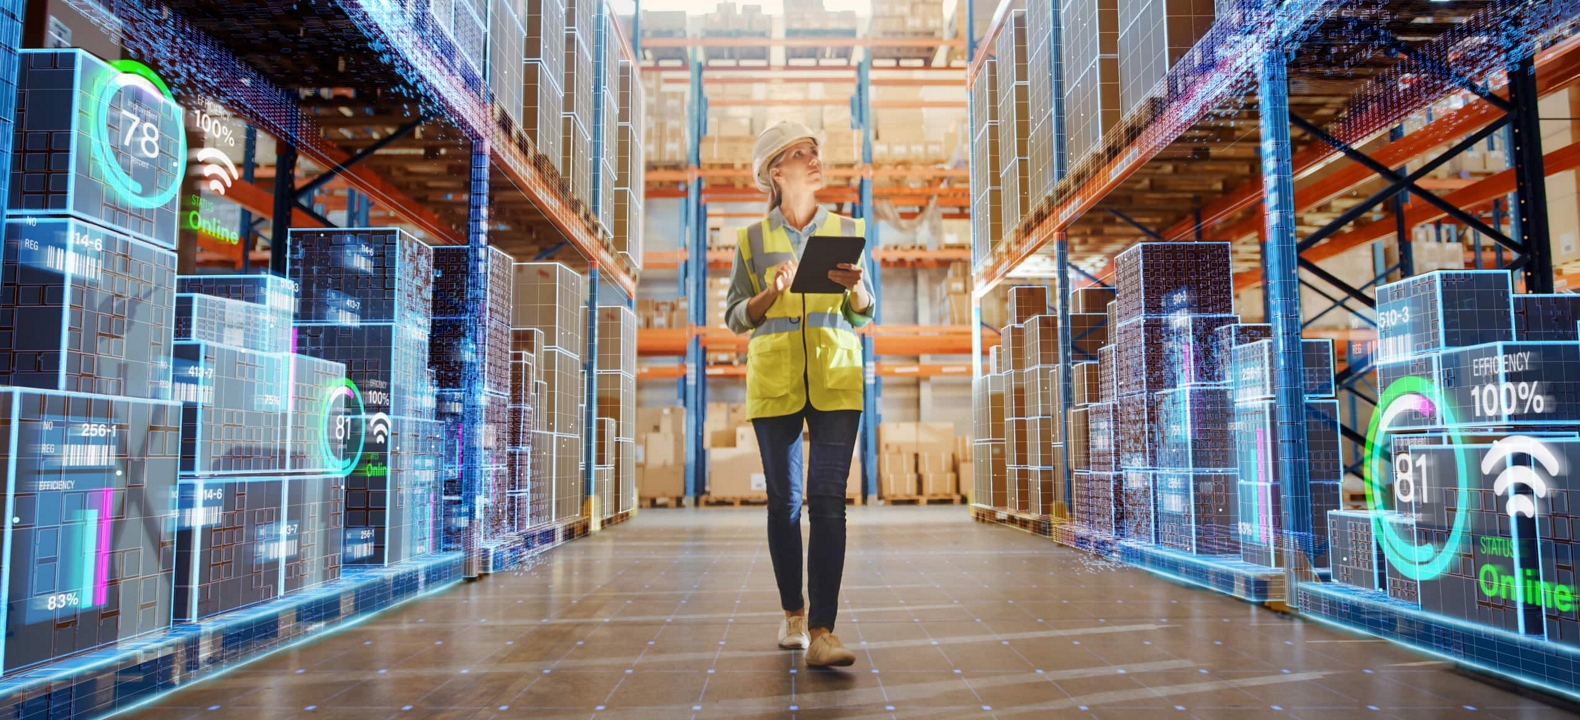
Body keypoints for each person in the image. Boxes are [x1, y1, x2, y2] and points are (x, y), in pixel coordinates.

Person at [724, 121, 875, 669]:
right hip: (776, 381)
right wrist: (770, 292)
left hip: (836, 379)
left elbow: (864, 309)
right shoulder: (752, 240)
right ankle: (793, 614)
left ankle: (824, 631)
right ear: (774, 171)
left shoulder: (847, 227)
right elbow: (735, 315)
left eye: (815, 151)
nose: (813, 160)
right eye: (798, 153)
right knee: (786, 505)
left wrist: (857, 287)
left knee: (828, 502)